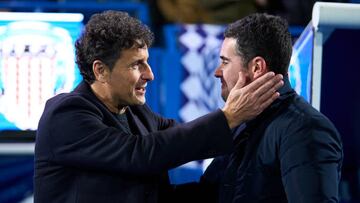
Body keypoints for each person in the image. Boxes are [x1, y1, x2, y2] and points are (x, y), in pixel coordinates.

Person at [33, 11, 284, 203]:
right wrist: (229, 116)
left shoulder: (138, 114)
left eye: (147, 63)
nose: (150, 75)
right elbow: (141, 154)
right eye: (136, 65)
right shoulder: (65, 114)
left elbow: (182, 141)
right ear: (100, 70)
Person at [171, 13, 343, 203]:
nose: (217, 72)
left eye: (225, 62)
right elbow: (209, 194)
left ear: (257, 67)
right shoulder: (241, 124)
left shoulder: (305, 129)